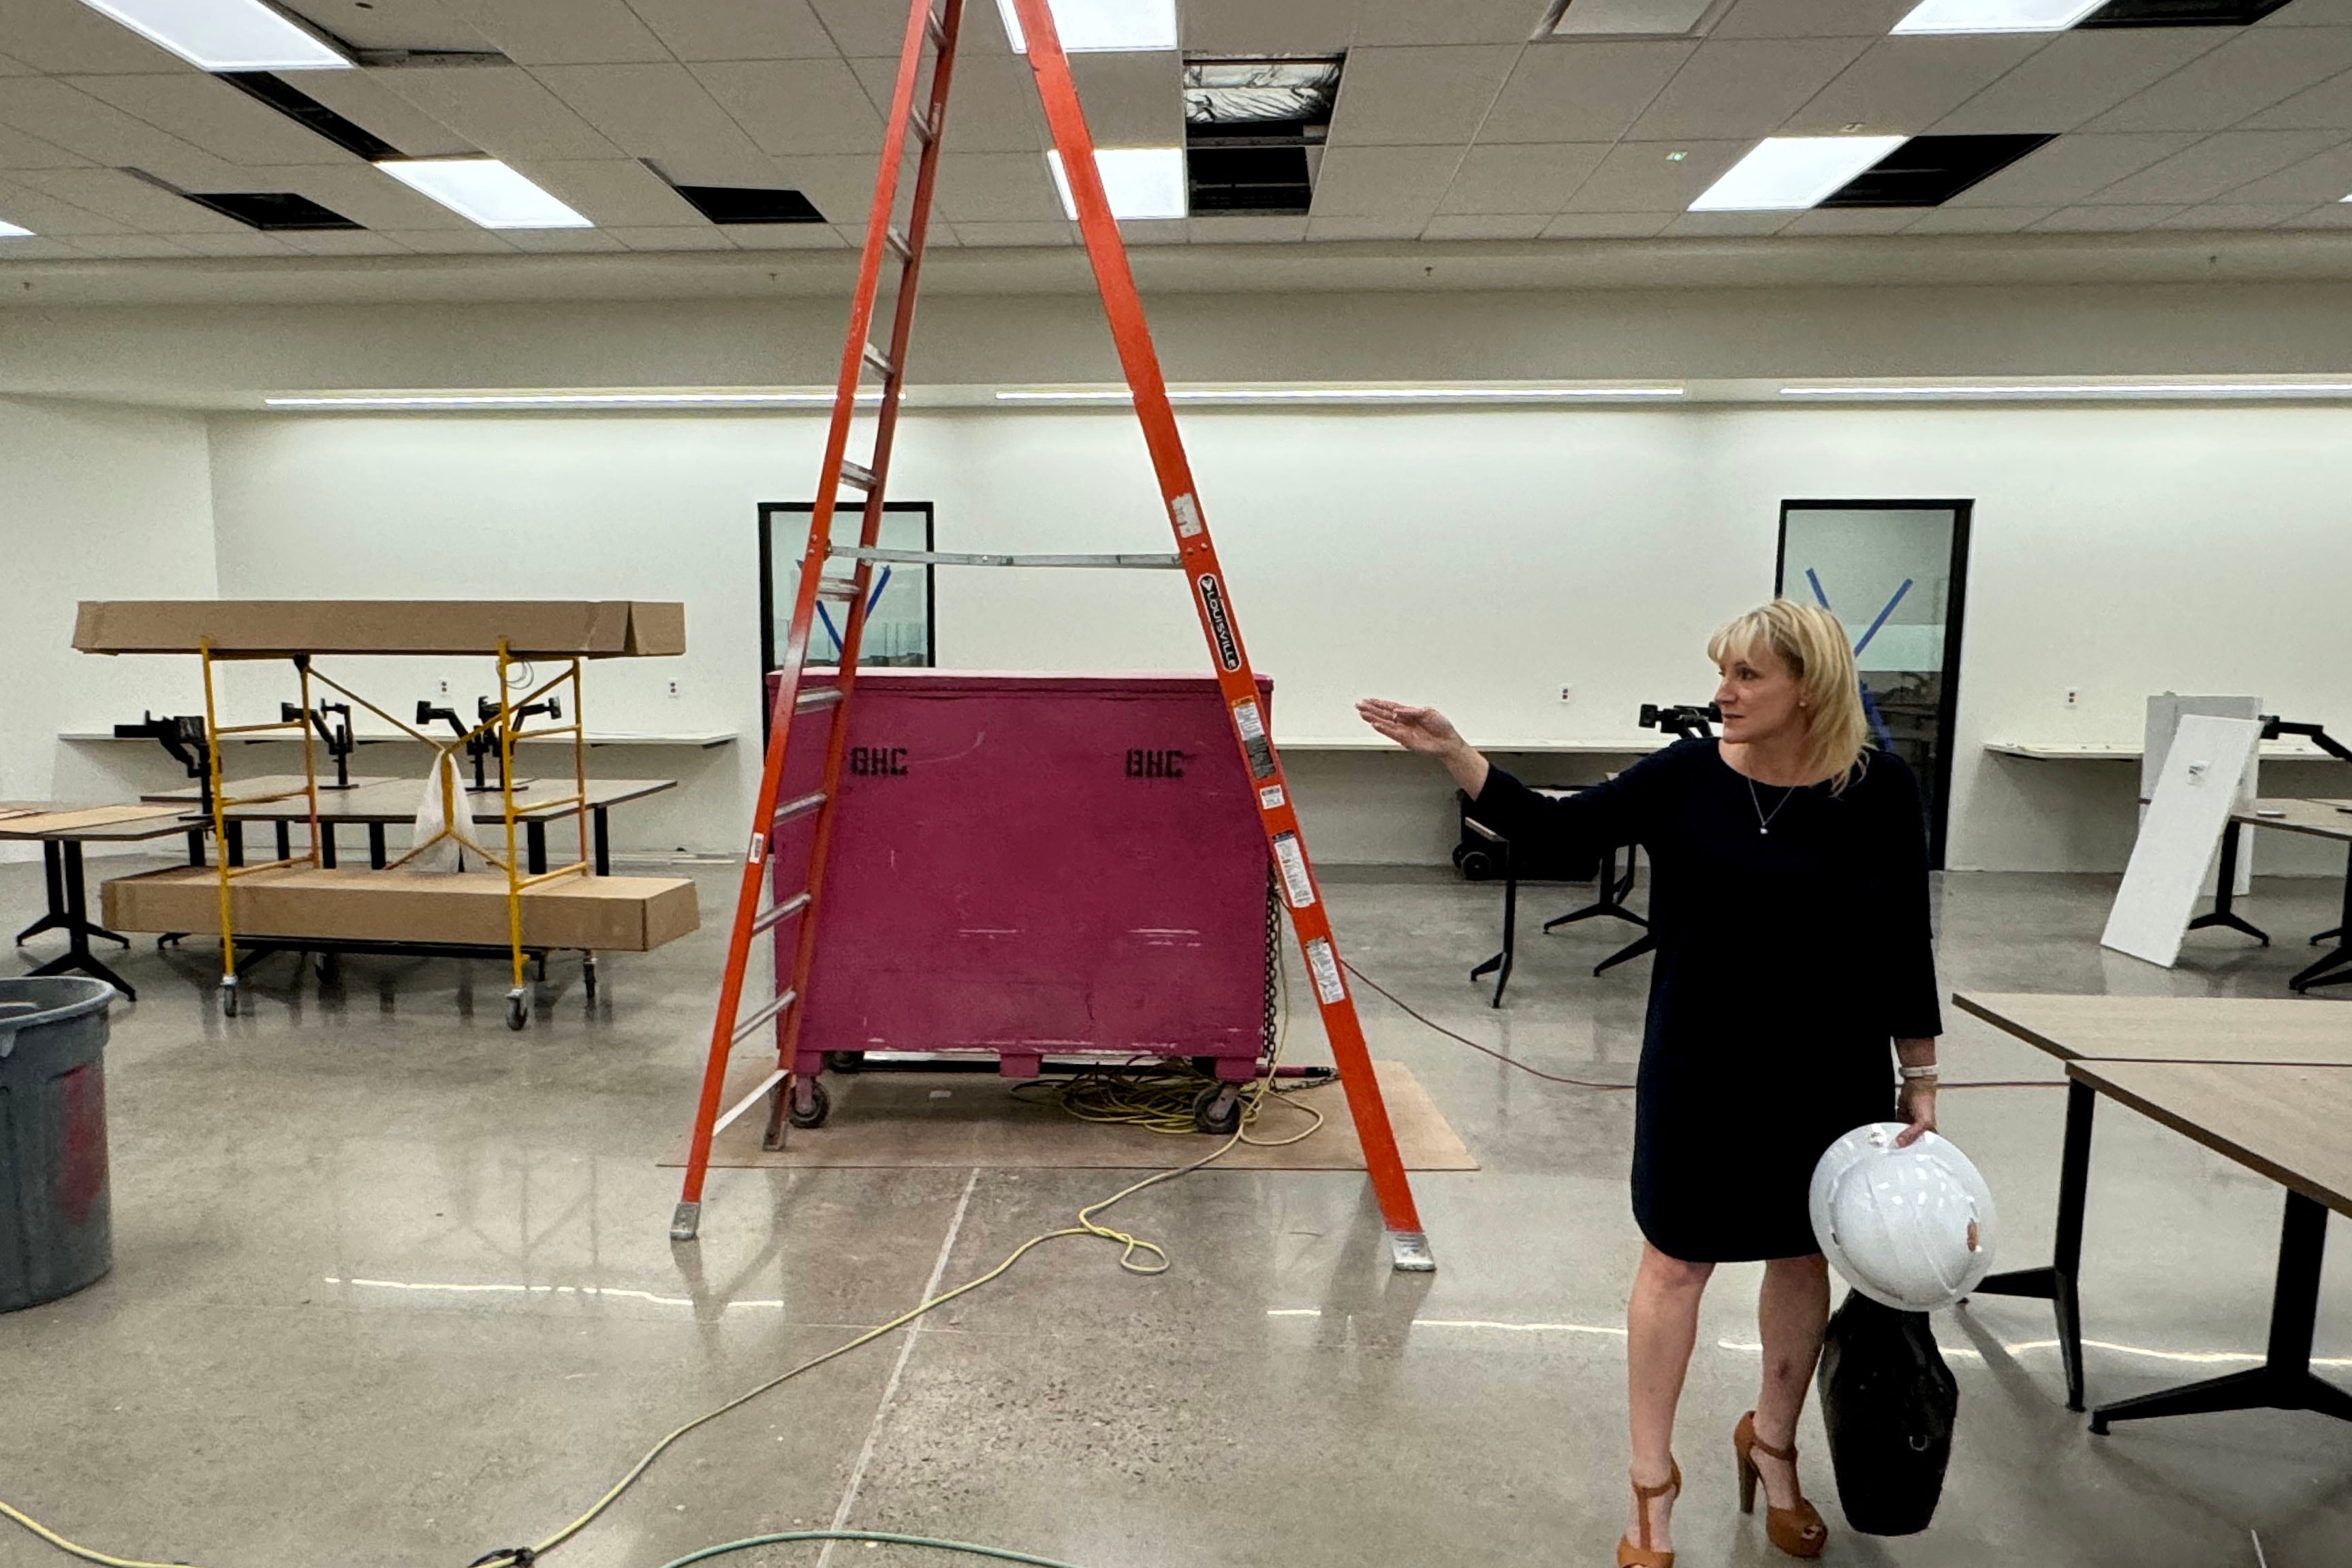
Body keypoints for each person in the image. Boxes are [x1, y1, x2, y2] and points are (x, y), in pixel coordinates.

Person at [1356, 599, 1942, 1568]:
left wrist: (1917, 1069)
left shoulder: (1877, 790)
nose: (1722, 692)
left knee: (1802, 1259)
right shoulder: (1684, 777)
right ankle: (1651, 1491)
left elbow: (1900, 937)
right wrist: (1454, 751)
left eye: (1748, 674)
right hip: (1700, 1065)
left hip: (1828, 1069)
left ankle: (1772, 1446)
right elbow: (1552, 831)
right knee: (1674, 1264)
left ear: (1811, 685)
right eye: (1724, 670)